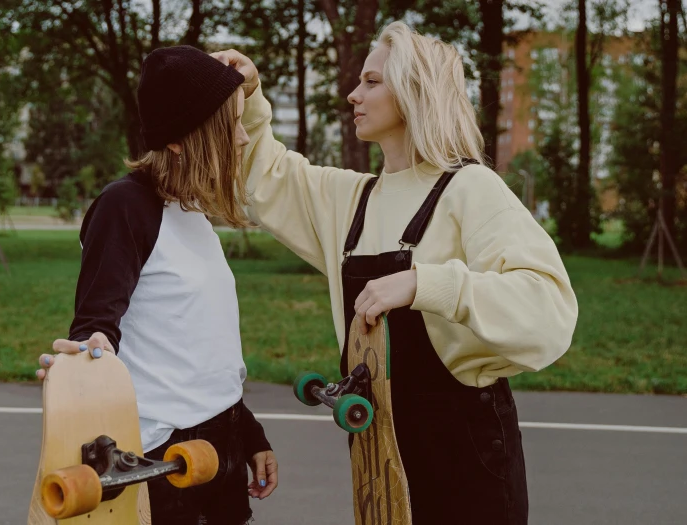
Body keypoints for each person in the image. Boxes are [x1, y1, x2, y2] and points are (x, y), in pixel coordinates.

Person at [213, 20, 578, 524]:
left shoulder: (472, 189)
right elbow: (266, 176)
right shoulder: (352, 200)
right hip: (377, 450)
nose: (351, 94)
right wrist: (250, 95)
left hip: (467, 456)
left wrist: (427, 283)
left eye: (371, 81)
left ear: (413, 92)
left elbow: (548, 306)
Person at [36, 45, 278, 525]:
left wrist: (250, 436)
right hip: (161, 463)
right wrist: (84, 359)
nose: (245, 135)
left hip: (220, 446)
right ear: (181, 140)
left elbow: (200, 349)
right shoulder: (125, 207)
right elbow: (95, 327)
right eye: (231, 124)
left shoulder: (190, 212)